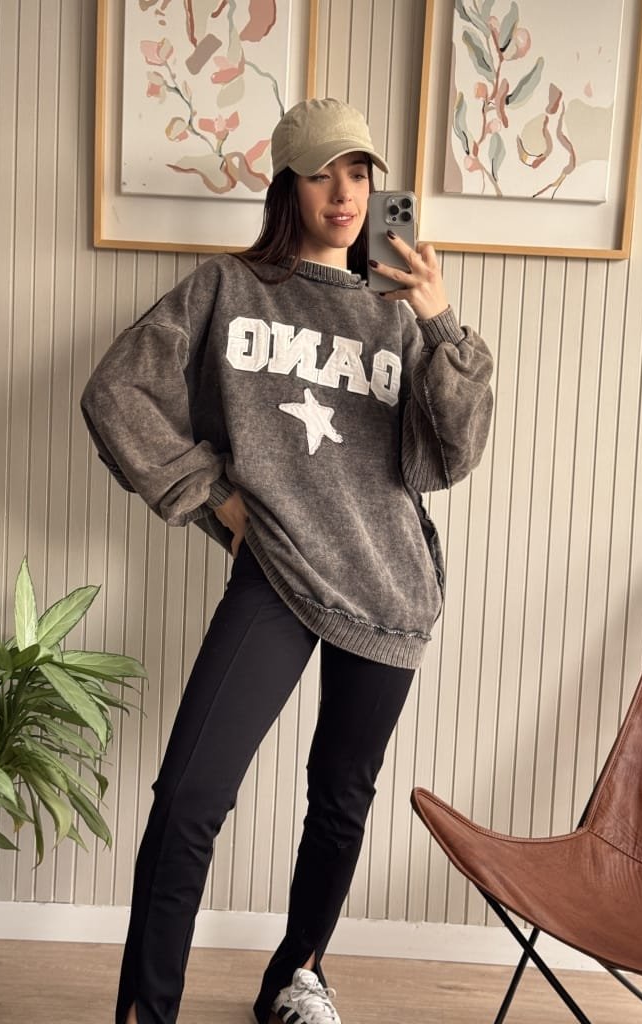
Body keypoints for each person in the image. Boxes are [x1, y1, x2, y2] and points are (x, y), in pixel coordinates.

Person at [81, 97, 494, 1024]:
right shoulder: (228, 289)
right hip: (275, 571)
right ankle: (146, 1008)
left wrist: (440, 323)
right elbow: (117, 392)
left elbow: (450, 457)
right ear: (286, 186)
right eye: (321, 173)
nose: (344, 193)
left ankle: (296, 978)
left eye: (360, 174)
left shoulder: (397, 313)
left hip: (387, 584)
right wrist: (210, 495)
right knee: (190, 797)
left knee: (340, 800)